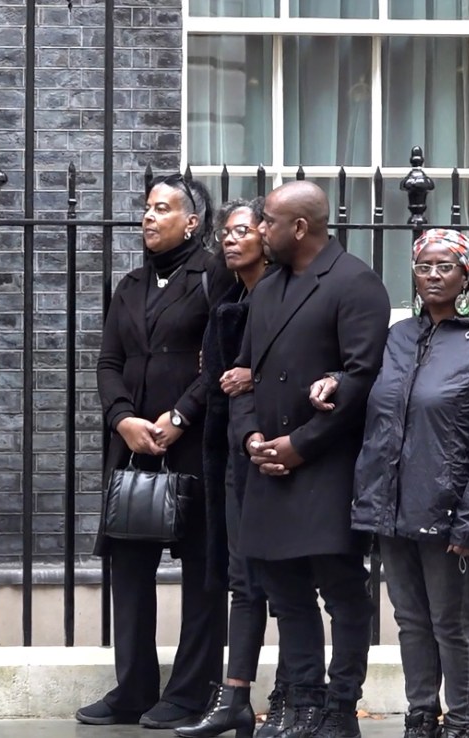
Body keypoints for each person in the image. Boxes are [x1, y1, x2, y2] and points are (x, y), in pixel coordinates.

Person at [324, 229, 469, 738]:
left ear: (465, 275)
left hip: (448, 508)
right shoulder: (399, 337)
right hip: (390, 503)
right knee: (409, 617)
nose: (433, 276)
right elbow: (372, 392)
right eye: (424, 267)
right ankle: (420, 713)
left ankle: (460, 721)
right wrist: (336, 381)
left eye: (444, 267)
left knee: (451, 623)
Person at [230, 181, 390, 738]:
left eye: (268, 221)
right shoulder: (267, 287)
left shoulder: (355, 283)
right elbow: (244, 376)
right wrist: (252, 439)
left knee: (343, 593)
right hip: (267, 465)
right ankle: (300, 705)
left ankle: (340, 708)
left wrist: (299, 446)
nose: (259, 229)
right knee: (286, 593)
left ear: (299, 227)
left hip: (325, 468)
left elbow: (364, 380)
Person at [76, 174, 235, 728]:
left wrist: (179, 416)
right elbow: (108, 362)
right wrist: (122, 419)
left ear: (191, 221)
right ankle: (135, 688)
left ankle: (191, 692)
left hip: (193, 444)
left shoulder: (216, 277)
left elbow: (223, 359)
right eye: (145, 208)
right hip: (134, 445)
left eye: (161, 208)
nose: (147, 217)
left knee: (201, 569)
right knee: (130, 564)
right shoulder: (130, 284)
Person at [176, 198, 289, 738]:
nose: (230, 239)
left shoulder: (283, 294)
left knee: (287, 578)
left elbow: (300, 368)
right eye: (226, 231)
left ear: (267, 236)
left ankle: (295, 691)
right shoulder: (227, 299)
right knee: (242, 578)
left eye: (242, 230)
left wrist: (253, 377)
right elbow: (217, 379)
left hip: (280, 452)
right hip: (232, 451)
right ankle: (235, 696)